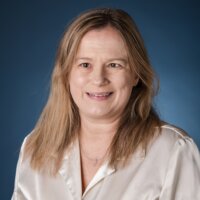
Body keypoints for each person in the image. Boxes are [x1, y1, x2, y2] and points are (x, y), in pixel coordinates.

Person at [12, 8, 200, 200]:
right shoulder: (35, 148)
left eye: (114, 65)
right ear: (66, 73)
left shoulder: (173, 150)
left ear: (136, 74)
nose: (98, 79)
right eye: (85, 64)